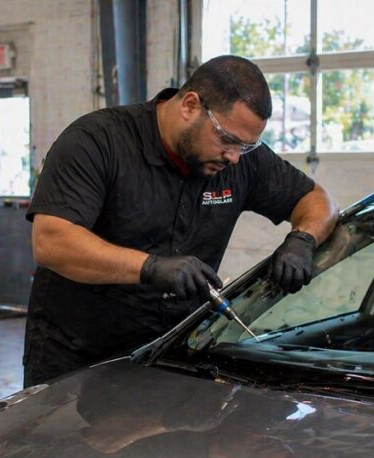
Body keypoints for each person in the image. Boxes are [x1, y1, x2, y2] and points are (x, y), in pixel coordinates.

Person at [24, 55, 338, 386]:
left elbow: (319, 201)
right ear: (190, 106)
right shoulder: (96, 141)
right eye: (227, 140)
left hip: (171, 359)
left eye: (246, 147)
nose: (233, 157)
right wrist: (150, 268)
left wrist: (303, 239)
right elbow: (52, 241)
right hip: (76, 363)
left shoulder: (242, 161)